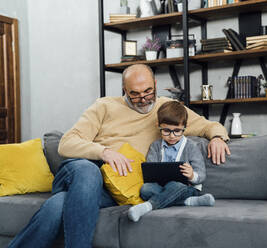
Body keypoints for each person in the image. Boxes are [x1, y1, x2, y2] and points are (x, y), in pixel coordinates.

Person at [8, 64, 230, 248]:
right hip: (80, 171)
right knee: (88, 171)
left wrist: (218, 137)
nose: (143, 99)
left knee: (58, 205)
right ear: (124, 89)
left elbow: (207, 126)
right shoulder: (104, 106)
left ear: (155, 86)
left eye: (148, 92)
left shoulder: (165, 108)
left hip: (112, 189)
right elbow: (66, 144)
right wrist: (104, 152)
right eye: (134, 93)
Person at [128, 101, 215, 222]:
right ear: (159, 126)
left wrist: (191, 175)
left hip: (185, 188)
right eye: (166, 131)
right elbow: (150, 170)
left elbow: (201, 175)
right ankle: (189, 202)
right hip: (162, 187)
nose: (172, 136)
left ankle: (148, 206)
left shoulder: (191, 147)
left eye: (177, 131)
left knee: (175, 185)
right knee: (146, 189)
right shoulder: (155, 146)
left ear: (184, 127)